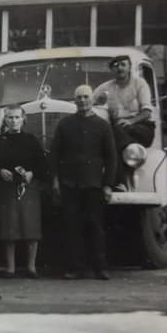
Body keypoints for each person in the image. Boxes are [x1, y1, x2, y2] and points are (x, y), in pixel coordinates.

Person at [50, 85, 117, 281]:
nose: (82, 101)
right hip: (69, 184)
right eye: (78, 97)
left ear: (92, 99)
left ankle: (100, 268)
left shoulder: (103, 126)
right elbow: (54, 155)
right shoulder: (65, 124)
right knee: (72, 227)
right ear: (74, 100)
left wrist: (108, 185)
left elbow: (111, 158)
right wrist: (55, 180)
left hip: (94, 184)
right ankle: (75, 268)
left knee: (96, 226)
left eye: (86, 97)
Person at [0, 104, 49, 278]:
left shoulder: (31, 140)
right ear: (5, 120)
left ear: (23, 119)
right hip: (7, 189)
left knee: (31, 227)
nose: (14, 121)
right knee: (9, 227)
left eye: (17, 117)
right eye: (10, 117)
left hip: (29, 188)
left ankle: (31, 267)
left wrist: (32, 173)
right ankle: (11, 268)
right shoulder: (0, 140)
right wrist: (0, 171)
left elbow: (43, 164)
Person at [92, 54, 155, 189]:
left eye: (123, 65)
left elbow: (147, 112)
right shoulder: (105, 87)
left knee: (113, 137)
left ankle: (118, 181)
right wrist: (97, 102)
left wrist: (131, 121)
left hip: (141, 128)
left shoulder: (139, 84)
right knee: (110, 136)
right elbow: (88, 103)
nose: (120, 68)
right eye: (116, 66)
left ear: (129, 67)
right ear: (112, 70)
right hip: (118, 130)